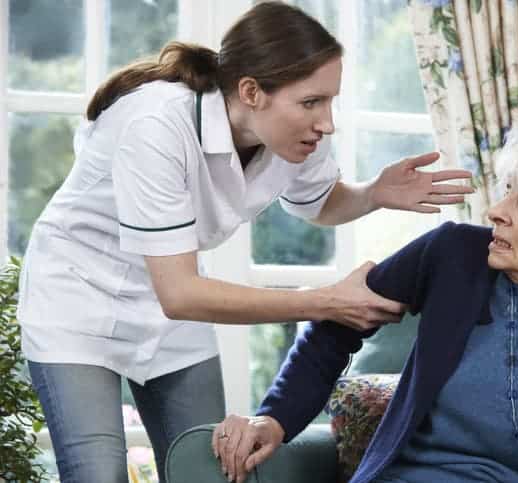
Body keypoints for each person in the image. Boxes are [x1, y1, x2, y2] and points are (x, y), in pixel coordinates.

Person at [16, 2, 474, 483]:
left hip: (170, 302)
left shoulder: (291, 135)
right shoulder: (155, 125)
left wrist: (374, 194)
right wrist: (326, 302)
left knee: (211, 471)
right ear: (251, 92)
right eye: (312, 102)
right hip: (78, 301)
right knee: (98, 475)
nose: (327, 122)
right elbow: (181, 293)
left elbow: (320, 203)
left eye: (330, 101)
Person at [215, 119, 518, 483]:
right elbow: (334, 327)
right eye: (507, 189)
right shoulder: (452, 254)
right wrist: (273, 418)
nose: (497, 209)